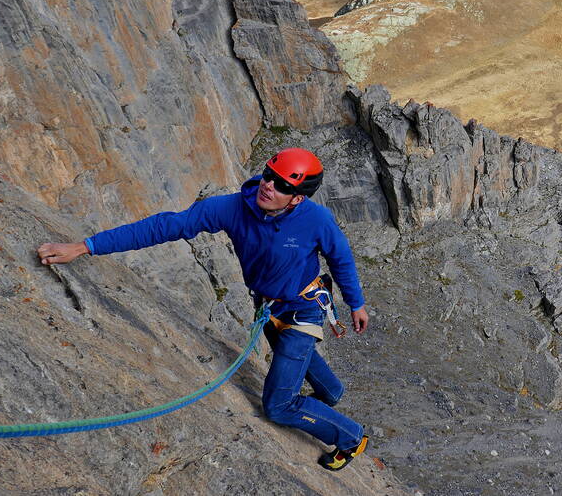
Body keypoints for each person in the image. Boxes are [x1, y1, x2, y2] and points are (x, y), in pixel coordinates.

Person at [37, 147, 370, 471]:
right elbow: (165, 226)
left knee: (279, 406)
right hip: (269, 305)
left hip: (304, 308)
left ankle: (351, 438)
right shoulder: (232, 208)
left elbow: (340, 259)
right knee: (291, 355)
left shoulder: (317, 220)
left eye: (283, 184)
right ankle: (332, 392)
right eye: (269, 175)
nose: (269, 185)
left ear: (298, 198)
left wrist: (356, 303)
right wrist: (85, 247)